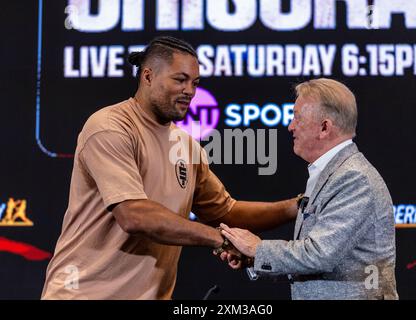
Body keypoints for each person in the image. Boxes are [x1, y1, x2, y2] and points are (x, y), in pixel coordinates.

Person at [41, 36, 297, 300]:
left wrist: (294, 207)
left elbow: (226, 211)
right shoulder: (110, 127)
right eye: (180, 79)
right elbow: (134, 215)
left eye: (195, 83)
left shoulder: (186, 146)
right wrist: (220, 239)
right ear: (148, 76)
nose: (190, 90)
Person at [219, 78, 398, 300]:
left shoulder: (353, 178)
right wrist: (254, 259)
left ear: (324, 128)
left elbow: (319, 254)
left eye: (297, 117)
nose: (290, 126)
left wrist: (258, 248)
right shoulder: (331, 173)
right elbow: (324, 266)